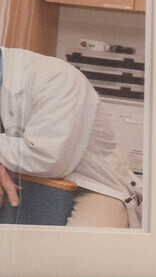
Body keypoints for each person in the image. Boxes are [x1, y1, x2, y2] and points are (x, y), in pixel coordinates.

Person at [0, 44, 135, 228]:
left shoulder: (54, 76)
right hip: (18, 177)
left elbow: (47, 159)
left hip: (90, 186)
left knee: (81, 251)